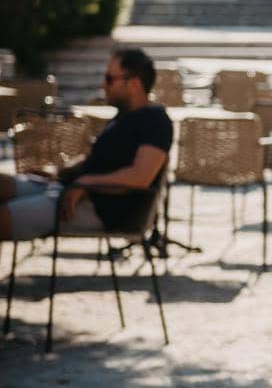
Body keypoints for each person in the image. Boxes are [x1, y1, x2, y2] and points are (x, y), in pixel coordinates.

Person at [0, 49, 172, 245]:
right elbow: (96, 159)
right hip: (72, 188)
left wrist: (87, 183)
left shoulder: (156, 121)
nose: (103, 85)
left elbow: (140, 176)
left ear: (133, 83)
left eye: (109, 79)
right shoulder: (124, 115)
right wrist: (58, 172)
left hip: (98, 208)